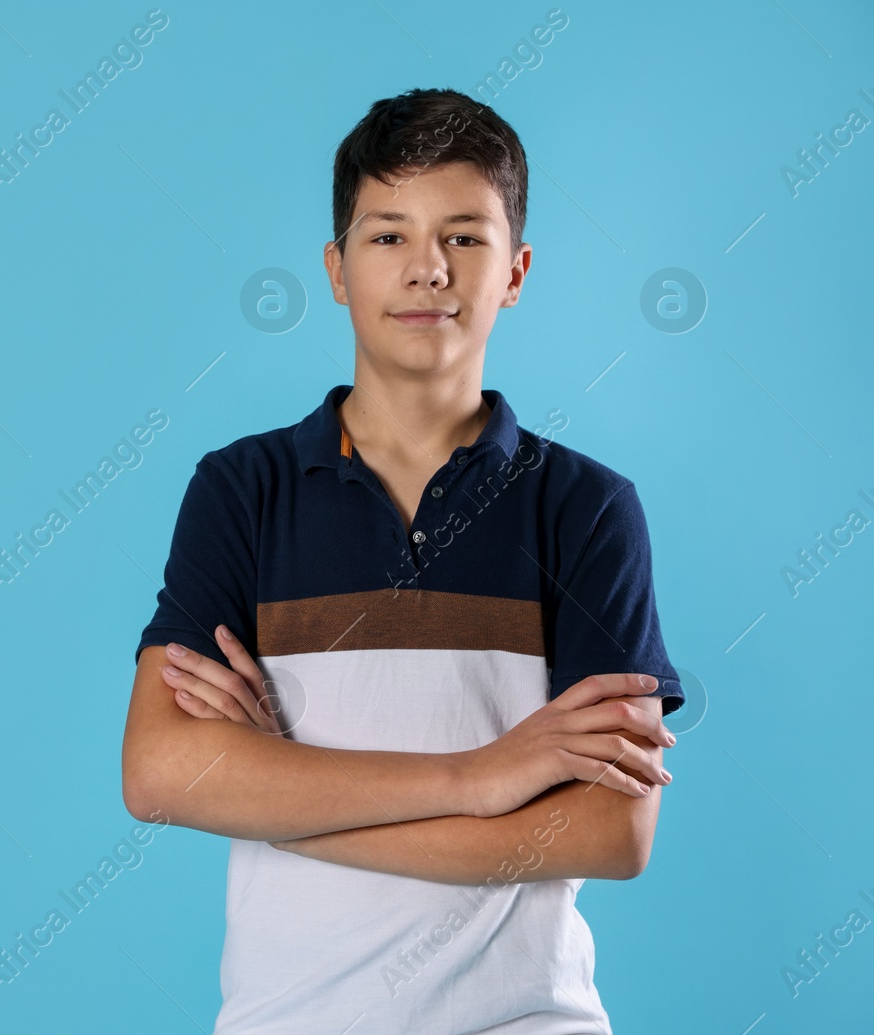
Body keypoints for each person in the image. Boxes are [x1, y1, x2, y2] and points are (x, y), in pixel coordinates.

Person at [121, 87, 684, 1034]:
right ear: (337, 269)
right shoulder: (241, 489)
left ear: (516, 271)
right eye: (388, 237)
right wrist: (480, 777)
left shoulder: (586, 508)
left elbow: (612, 831)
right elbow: (158, 772)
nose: (428, 269)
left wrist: (275, 788)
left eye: (465, 237)